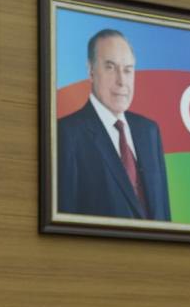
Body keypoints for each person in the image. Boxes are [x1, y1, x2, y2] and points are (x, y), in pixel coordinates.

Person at [57, 28, 171, 221]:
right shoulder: (67, 134)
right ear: (91, 71)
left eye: (127, 70)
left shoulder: (149, 131)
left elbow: (164, 216)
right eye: (110, 68)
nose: (122, 81)